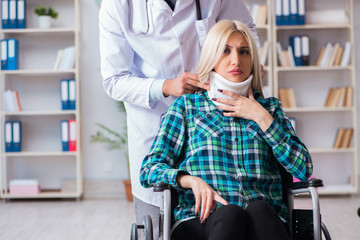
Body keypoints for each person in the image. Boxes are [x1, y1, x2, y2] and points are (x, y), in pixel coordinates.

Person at [140, 20, 313, 240]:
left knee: (259, 210)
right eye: (225, 51)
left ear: (253, 60)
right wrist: (188, 180)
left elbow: (304, 168)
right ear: (212, 58)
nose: (236, 60)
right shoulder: (187, 108)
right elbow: (149, 169)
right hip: (202, 220)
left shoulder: (270, 110)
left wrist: (260, 116)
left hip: (265, 221)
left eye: (244, 52)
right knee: (231, 213)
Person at [99, 1, 259, 238]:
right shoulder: (118, 4)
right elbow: (113, 80)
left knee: (237, 213)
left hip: (214, 120)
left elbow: (245, 34)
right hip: (153, 125)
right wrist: (167, 86)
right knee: (157, 224)